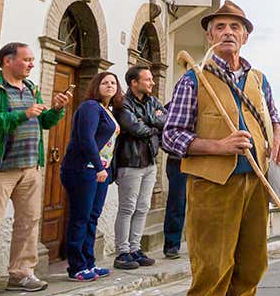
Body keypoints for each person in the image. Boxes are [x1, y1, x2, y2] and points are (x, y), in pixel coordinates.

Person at [162, 0, 280, 296]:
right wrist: (218, 146)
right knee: (211, 266)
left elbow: (273, 115)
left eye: (236, 27)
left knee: (251, 262)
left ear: (246, 36)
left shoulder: (260, 79)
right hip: (212, 187)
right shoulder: (192, 80)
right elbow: (170, 136)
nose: (228, 33)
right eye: (220, 27)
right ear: (209, 35)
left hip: (256, 183)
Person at [0, 43, 70, 296]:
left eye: (33, 60)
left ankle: (21, 273)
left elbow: (43, 122)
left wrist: (56, 109)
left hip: (29, 167)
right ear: (7, 61)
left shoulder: (32, 89)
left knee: (28, 222)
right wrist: (21, 115)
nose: (31, 64)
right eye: (26, 60)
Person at [59, 72, 121, 282]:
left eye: (113, 83)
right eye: (105, 82)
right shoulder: (90, 107)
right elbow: (86, 139)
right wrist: (97, 167)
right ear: (96, 85)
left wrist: (107, 169)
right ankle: (76, 266)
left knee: (92, 216)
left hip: (100, 171)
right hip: (83, 169)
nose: (109, 86)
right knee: (81, 217)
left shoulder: (107, 109)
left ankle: (89, 263)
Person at [112, 65, 166, 270]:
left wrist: (149, 121)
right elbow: (134, 128)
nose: (152, 82)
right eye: (148, 79)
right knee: (127, 208)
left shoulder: (153, 101)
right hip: (130, 162)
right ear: (134, 82)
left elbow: (166, 120)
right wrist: (153, 126)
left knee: (143, 207)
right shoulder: (122, 103)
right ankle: (122, 252)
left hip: (150, 161)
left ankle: (135, 248)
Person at [161, 141, 186, 259]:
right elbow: (167, 137)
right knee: (177, 203)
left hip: (202, 160)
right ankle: (172, 244)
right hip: (178, 161)